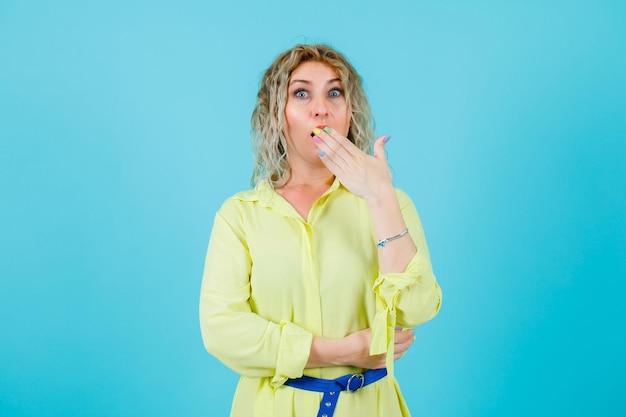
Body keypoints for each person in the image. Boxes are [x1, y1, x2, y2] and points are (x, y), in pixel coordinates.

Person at [199, 44, 442, 417]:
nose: (321, 108)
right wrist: (342, 351)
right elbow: (223, 331)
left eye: (334, 92)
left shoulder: (392, 203)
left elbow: (417, 309)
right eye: (301, 93)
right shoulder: (239, 216)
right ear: (277, 116)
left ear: (349, 113)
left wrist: (380, 200)